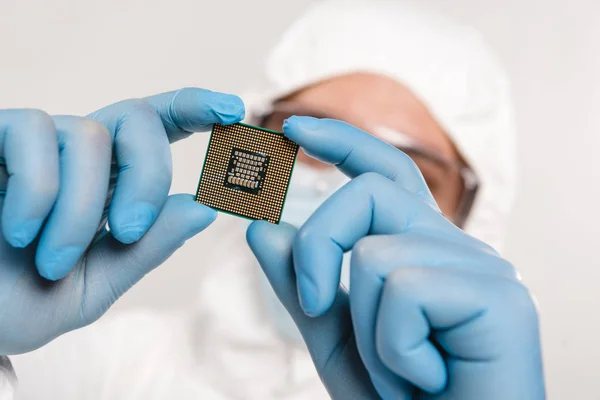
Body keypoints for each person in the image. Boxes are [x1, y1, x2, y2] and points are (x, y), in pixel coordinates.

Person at [2, 1, 546, 399]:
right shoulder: (91, 367)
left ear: (474, 221)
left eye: (412, 169)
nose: (342, 187)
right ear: (247, 149)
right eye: (305, 141)